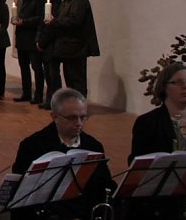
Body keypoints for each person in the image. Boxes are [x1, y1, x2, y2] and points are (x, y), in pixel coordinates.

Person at [11, 88, 115, 220]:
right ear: (54, 117)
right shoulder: (33, 145)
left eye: (83, 117)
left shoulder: (93, 146)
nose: (79, 123)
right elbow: (20, 196)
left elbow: (104, 186)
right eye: (72, 118)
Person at [129, 63, 186, 219]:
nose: (185, 87)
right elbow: (138, 166)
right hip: (164, 204)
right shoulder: (148, 123)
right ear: (164, 87)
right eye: (178, 82)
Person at [43, 0, 100, 97]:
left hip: (76, 47)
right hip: (66, 48)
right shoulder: (67, 0)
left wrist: (55, 21)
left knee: (77, 80)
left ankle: (80, 108)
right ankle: (72, 106)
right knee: (69, 79)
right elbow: (61, 18)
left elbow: (75, 20)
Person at [11, 0, 45, 104]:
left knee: (37, 67)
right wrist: (14, 20)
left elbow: (40, 18)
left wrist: (24, 22)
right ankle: (26, 93)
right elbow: (17, 14)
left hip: (32, 37)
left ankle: (38, 95)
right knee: (23, 67)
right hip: (21, 38)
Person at [35, 0, 62, 109]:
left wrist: (41, 42)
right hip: (47, 46)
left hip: (52, 46)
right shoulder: (48, 5)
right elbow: (42, 25)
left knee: (53, 75)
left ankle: (55, 102)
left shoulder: (56, 6)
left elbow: (50, 28)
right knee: (49, 75)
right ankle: (50, 100)